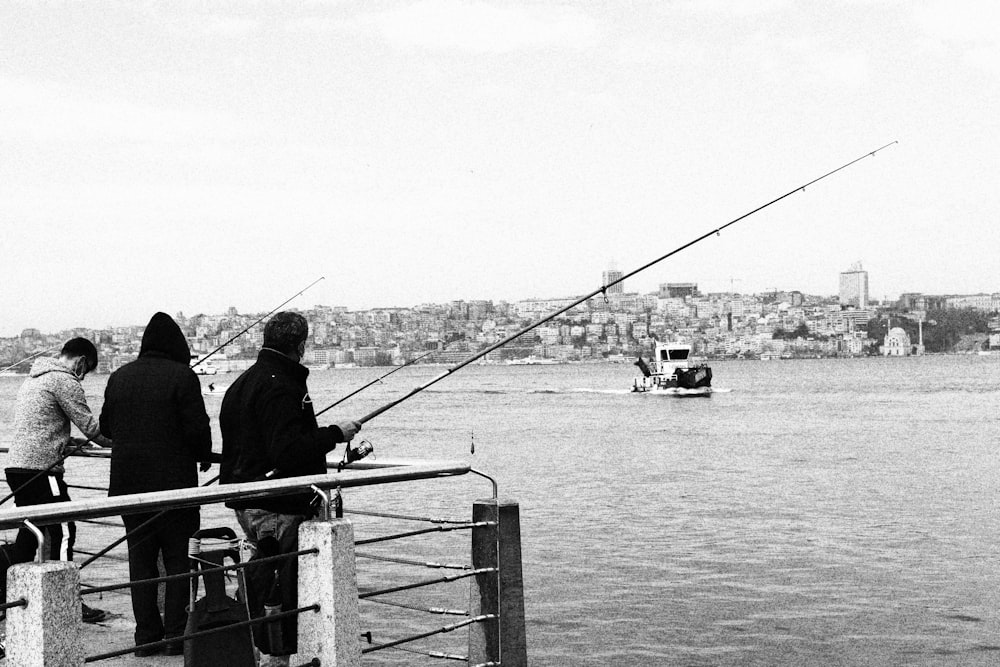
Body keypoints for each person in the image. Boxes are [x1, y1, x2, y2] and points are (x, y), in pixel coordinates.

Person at [220, 311, 360, 666]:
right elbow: (288, 449)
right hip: (276, 503)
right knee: (278, 584)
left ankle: (260, 650)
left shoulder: (243, 383)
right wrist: (334, 434)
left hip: (245, 497)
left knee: (266, 576)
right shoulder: (281, 385)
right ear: (300, 345)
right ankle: (275, 657)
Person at [99, 312, 213, 657]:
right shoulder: (183, 376)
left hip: (128, 489)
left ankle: (146, 638)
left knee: (141, 563)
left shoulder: (119, 377)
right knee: (179, 561)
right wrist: (203, 455)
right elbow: (196, 429)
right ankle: (175, 635)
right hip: (174, 489)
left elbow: (106, 426)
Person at [3, 337, 112, 623]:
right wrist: (123, 443)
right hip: (42, 469)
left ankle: (13, 599)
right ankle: (68, 600)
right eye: (85, 373)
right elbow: (93, 428)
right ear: (82, 362)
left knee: (30, 531)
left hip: (17, 466)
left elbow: (42, 424)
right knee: (63, 528)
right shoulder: (65, 381)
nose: (83, 378)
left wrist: (66, 439)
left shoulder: (35, 378)